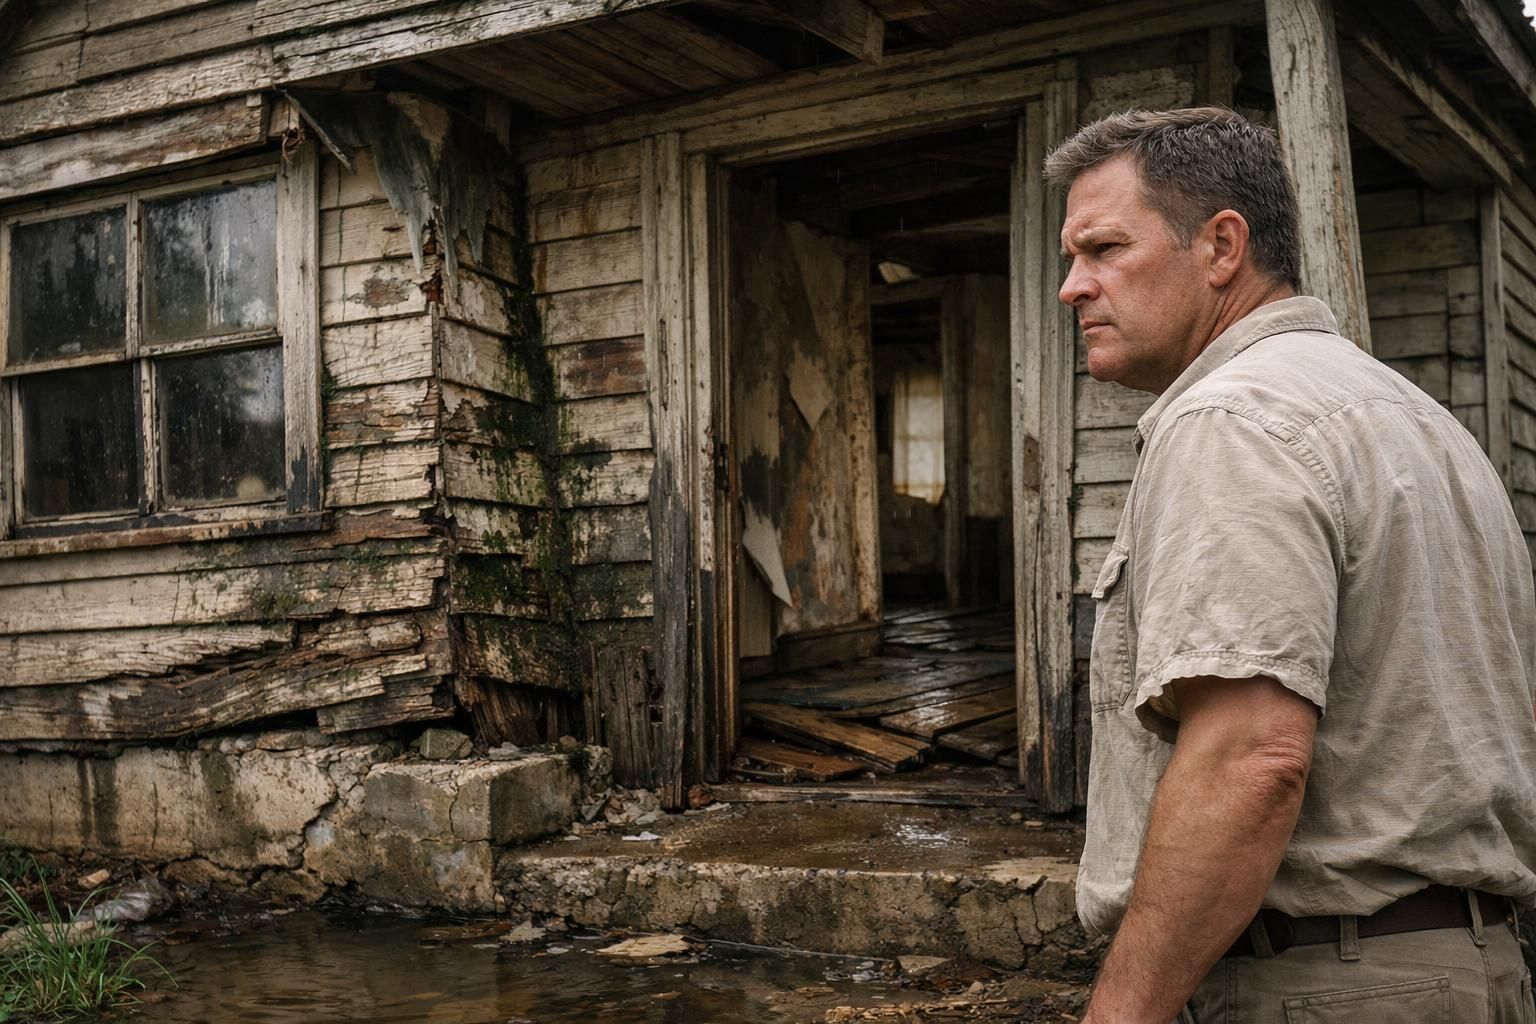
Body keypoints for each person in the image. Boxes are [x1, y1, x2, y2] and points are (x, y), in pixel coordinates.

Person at [1046, 107, 1536, 1023]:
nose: (1074, 287)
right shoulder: (1416, 418)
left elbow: (1252, 760)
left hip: (1320, 986)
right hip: (1473, 968)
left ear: (1222, 245)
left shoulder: (1230, 421)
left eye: (1104, 248)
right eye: (1073, 260)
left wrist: (1122, 1014)